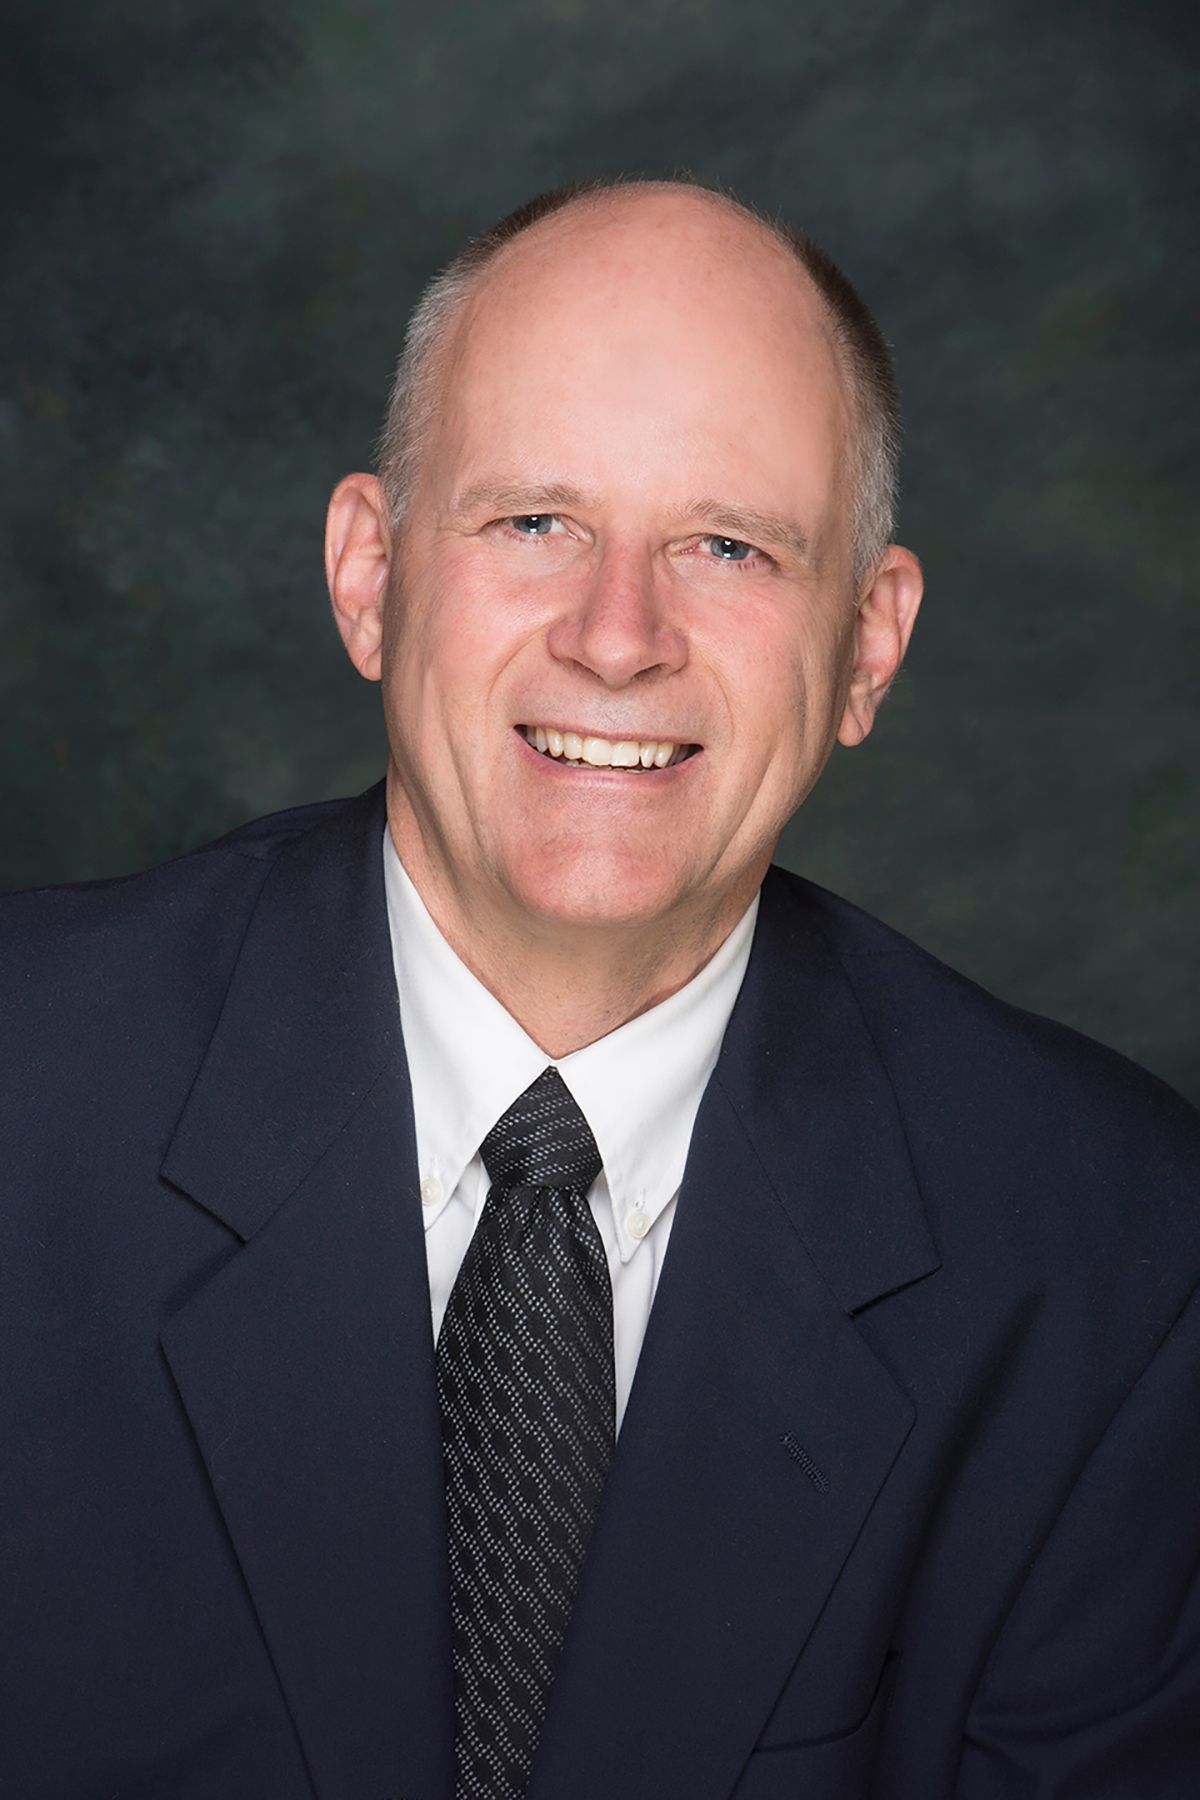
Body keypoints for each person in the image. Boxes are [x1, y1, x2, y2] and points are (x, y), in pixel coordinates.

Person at [2, 177, 1197, 1800]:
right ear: (367, 575)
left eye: (728, 546)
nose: (619, 636)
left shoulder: (1118, 1267)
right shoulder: (24, 1091)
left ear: (867, 647)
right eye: (533, 523)